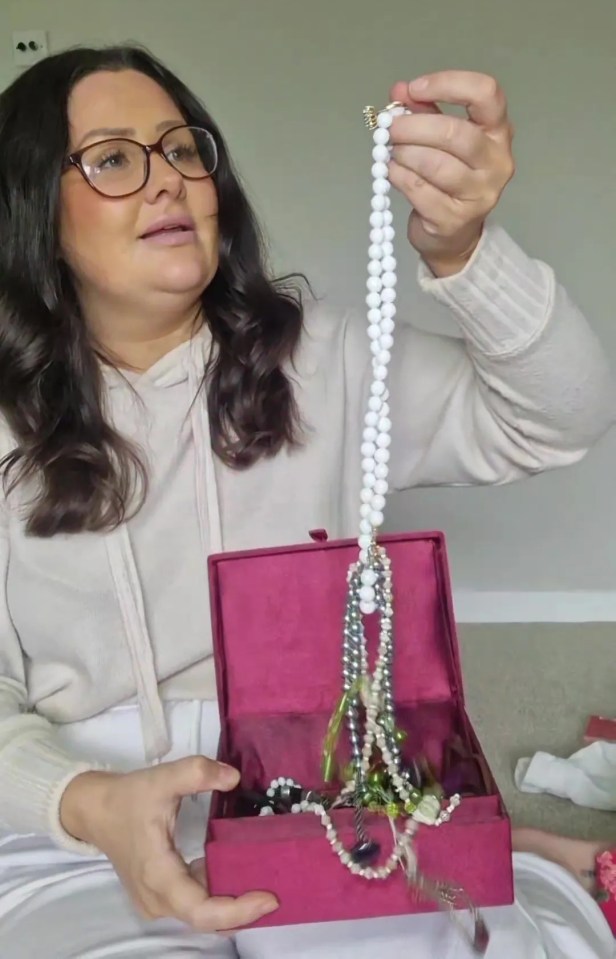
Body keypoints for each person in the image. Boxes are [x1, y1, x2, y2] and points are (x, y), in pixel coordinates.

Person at [0, 43, 613, 959]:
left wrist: (468, 251)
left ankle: (535, 875)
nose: (167, 180)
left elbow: (562, 417)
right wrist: (83, 800)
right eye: (115, 159)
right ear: (36, 213)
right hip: (79, 826)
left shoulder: (319, 358)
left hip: (328, 786)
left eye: (182, 149)